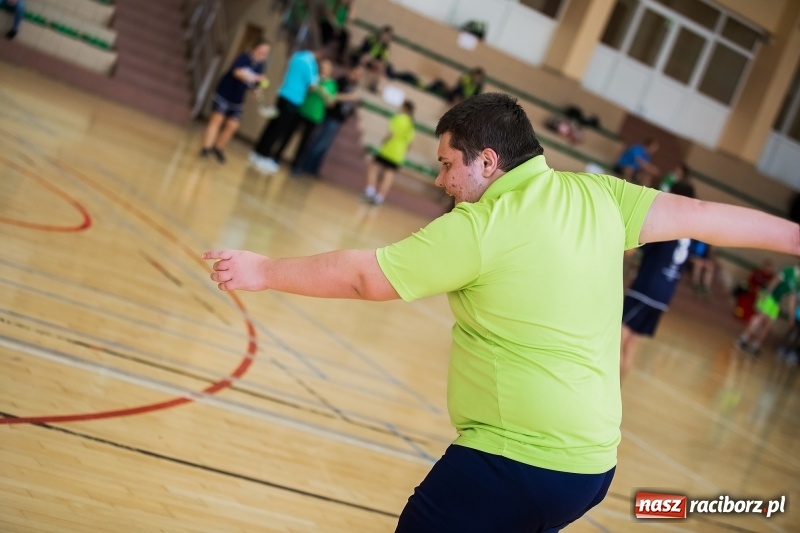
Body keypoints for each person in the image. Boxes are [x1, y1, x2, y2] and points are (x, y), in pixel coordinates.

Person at [202, 93, 800, 532]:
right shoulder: (599, 195)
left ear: (487, 161)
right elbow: (706, 218)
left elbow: (366, 278)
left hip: (516, 461)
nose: (440, 179)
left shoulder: (481, 227)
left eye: (447, 164)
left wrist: (264, 270)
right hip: (591, 467)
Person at [619, 186, 696, 380]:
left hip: (645, 289)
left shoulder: (666, 224)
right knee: (631, 344)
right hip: (664, 296)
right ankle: (617, 390)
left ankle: (609, 390)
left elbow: (631, 250)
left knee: (618, 339)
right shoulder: (689, 232)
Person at [249, 48, 322, 174]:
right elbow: (312, 85)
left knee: (272, 125)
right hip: (294, 99)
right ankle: (263, 155)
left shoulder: (296, 56)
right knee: (279, 129)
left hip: (283, 94)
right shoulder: (311, 64)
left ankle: (257, 152)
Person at [200, 40, 270, 164]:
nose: (262, 54)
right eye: (261, 51)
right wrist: (255, 78)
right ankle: (206, 148)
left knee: (233, 125)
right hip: (224, 92)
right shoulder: (244, 58)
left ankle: (218, 149)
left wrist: (257, 92)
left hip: (237, 98)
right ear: (255, 48)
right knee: (217, 119)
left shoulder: (261, 66)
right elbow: (237, 73)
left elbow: (254, 86)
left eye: (265, 53)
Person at [295, 63, 363, 176]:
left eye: (360, 75)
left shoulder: (352, 85)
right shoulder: (341, 81)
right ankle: (305, 165)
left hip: (339, 118)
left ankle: (313, 168)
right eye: (356, 73)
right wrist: (349, 97)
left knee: (325, 144)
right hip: (331, 116)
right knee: (319, 142)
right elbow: (332, 96)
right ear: (351, 71)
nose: (357, 76)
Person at [736, 262, 800, 356]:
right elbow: (774, 281)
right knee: (759, 319)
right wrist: (766, 295)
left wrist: (791, 316)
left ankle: (755, 346)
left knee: (768, 326)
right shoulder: (789, 271)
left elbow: (792, 300)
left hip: (776, 302)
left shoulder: (798, 283)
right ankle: (742, 339)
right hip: (770, 297)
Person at [290, 58, 338, 174]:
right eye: (322, 67)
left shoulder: (331, 84)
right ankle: (276, 157)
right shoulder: (314, 78)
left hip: (315, 115)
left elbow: (331, 103)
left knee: (305, 142)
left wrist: (325, 93)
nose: (323, 69)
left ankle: (296, 165)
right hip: (303, 109)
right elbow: (304, 89)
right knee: (289, 134)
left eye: (326, 68)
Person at [363, 100, 414, 205]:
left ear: (405, 108)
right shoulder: (411, 124)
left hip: (388, 149)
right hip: (398, 154)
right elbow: (410, 143)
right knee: (388, 175)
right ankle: (379, 198)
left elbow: (390, 134)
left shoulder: (398, 118)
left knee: (373, 167)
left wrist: (383, 142)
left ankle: (370, 192)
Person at [352, 25, 392, 92]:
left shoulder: (385, 46)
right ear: (381, 33)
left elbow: (383, 59)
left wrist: (377, 62)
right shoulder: (372, 38)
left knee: (381, 67)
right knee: (365, 58)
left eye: (387, 36)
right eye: (385, 34)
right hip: (363, 55)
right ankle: (355, 79)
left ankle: (373, 86)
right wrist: (369, 57)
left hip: (373, 61)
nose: (385, 37)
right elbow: (363, 49)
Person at [318, 0, 354, 64]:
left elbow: (351, 19)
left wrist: (351, 6)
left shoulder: (346, 8)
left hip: (338, 28)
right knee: (329, 30)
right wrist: (335, 26)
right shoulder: (333, 2)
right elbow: (328, 15)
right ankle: (322, 50)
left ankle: (339, 57)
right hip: (327, 23)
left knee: (346, 35)